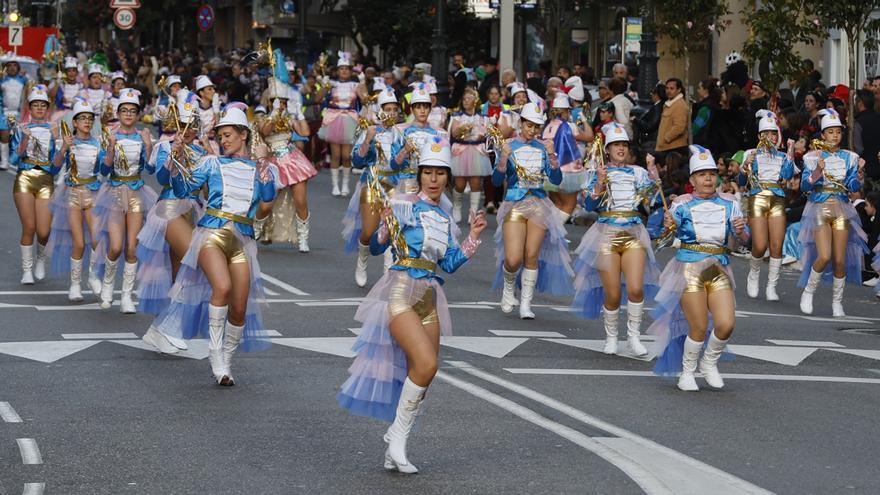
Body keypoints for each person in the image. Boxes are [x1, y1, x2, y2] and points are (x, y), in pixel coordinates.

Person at [337, 137, 487, 474]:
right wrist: (383, 224)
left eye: (440, 173)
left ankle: (394, 445)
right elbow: (377, 248)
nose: (433, 179)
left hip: (431, 298)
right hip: (401, 291)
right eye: (428, 172)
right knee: (426, 364)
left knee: (421, 374)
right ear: (419, 175)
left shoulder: (446, 218)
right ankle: (398, 440)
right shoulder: (403, 204)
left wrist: (473, 236)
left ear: (448, 178)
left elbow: (448, 264)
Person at [148, 106, 276, 385]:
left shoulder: (259, 168)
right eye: (220, 136)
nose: (224, 141)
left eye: (228, 135)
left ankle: (227, 359)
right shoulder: (210, 163)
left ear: (244, 134)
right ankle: (216, 356)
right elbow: (183, 190)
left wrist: (265, 164)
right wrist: (175, 157)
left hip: (243, 239)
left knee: (239, 309)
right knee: (222, 287)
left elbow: (268, 196)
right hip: (211, 234)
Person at [650, 145, 749, 391]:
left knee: (726, 324)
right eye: (702, 174)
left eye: (712, 174)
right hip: (689, 268)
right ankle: (687, 371)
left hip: (719, 267)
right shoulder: (681, 204)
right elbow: (663, 240)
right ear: (692, 180)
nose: (708, 178)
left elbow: (742, 241)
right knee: (699, 325)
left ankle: (709, 362)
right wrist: (667, 226)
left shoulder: (730, 202)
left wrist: (740, 231)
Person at [571, 122, 660, 356]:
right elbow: (589, 205)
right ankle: (611, 337)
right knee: (612, 293)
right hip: (606, 234)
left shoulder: (638, 172)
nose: (620, 148)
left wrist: (653, 173)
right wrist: (600, 182)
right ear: (607, 149)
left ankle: (633, 337)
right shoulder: (598, 172)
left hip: (633, 233)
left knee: (636, 288)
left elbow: (652, 198)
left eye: (624, 144)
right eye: (615, 145)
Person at [138, 90, 207, 354]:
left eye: (192, 126)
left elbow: (205, 188)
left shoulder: (202, 151)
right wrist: (173, 153)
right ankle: (163, 328)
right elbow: (163, 178)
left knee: (181, 273)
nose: (187, 131)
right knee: (196, 259)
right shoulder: (165, 147)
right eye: (182, 125)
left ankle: (164, 328)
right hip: (168, 209)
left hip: (194, 210)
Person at [492, 103, 573, 319]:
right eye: (529, 125)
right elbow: (496, 180)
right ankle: (509, 287)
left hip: (538, 203)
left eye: (536, 126)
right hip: (515, 203)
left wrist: (553, 159)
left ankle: (526, 303)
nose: (533, 130)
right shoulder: (508, 145)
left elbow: (555, 180)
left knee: (531, 255)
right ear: (520, 123)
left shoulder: (542, 147)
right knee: (513, 258)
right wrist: (502, 160)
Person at [92, 88, 157, 313]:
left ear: (137, 115)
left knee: (132, 247)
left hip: (137, 192)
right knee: (116, 246)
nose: (128, 114)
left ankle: (127, 296)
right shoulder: (110, 135)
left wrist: (148, 146)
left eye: (132, 111)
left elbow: (150, 169)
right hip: (115, 193)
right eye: (124, 110)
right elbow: (103, 169)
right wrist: (110, 147)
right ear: (118, 113)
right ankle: (108, 285)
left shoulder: (142, 137)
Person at [798, 109, 868, 316]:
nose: (835, 135)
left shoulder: (850, 157)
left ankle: (837, 302)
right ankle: (808, 291)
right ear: (822, 135)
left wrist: (860, 171)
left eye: (838, 132)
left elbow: (853, 187)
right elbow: (804, 186)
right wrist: (818, 172)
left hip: (842, 208)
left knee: (839, 259)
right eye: (830, 132)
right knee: (825, 255)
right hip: (819, 208)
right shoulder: (813, 157)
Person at [46, 99, 103, 301]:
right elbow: (53, 168)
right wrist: (63, 149)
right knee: (78, 243)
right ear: (75, 122)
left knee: (97, 239)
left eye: (89, 118)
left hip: (93, 192)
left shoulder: (98, 142)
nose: (86, 122)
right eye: (82, 118)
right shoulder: (67, 142)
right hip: (71, 194)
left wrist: (110, 151)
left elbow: (102, 170)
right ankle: (75, 285)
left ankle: (93, 276)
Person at [346, 87, 401, 286]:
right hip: (373, 183)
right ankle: (362, 259)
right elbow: (356, 161)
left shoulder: (402, 133)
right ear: (380, 110)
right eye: (388, 108)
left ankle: (388, 274)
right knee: (369, 232)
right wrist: (368, 140)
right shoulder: (370, 130)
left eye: (395, 109)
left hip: (396, 186)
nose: (392, 113)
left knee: (392, 230)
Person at [255, 79, 317, 252]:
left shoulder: (289, 117)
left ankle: (303, 239)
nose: (282, 104)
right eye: (278, 101)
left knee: (301, 201)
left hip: (292, 160)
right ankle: (256, 230)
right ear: (269, 101)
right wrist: (274, 113)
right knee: (267, 203)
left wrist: (300, 114)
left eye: (283, 101)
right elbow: (265, 131)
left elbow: (305, 132)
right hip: (272, 162)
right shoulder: (262, 116)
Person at [740, 110, 796, 301]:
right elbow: (741, 180)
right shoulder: (750, 153)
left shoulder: (781, 156)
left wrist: (790, 154)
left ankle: (772, 286)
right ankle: (753, 274)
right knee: (760, 244)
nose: (770, 137)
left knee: (776, 245)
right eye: (766, 133)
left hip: (777, 198)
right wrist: (745, 165)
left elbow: (788, 176)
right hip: (757, 197)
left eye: (773, 133)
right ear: (759, 136)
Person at [11, 85, 57, 285]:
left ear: (47, 108)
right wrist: (24, 139)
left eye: (42, 105)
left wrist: (61, 143)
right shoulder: (21, 127)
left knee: (44, 231)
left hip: (46, 179)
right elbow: (15, 157)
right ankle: (27, 270)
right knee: (29, 226)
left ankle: (40, 259)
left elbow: (57, 163)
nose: (39, 108)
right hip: (25, 178)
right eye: (35, 105)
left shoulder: (54, 129)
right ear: (29, 108)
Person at [317, 51, 362, 197]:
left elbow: (366, 99)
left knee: (347, 156)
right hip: (334, 119)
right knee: (336, 155)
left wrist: (363, 83)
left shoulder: (355, 85)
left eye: (347, 68)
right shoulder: (332, 84)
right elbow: (318, 98)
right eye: (341, 68)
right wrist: (324, 85)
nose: (344, 71)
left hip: (350, 119)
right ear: (337, 71)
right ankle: (335, 185)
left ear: (350, 71)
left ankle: (346, 184)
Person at [543, 92, 590, 224]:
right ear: (566, 111)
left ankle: (550, 235)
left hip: (551, 169)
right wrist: (584, 119)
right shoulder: (570, 126)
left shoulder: (548, 126)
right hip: (568, 170)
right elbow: (589, 136)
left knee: (557, 203)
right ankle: (553, 233)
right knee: (570, 203)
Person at [449, 87, 491, 222]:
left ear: (476, 101)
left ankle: (473, 211)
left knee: (475, 182)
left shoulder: (482, 118)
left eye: (469, 98)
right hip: (461, 150)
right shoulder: (457, 117)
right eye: (464, 98)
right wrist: (461, 130)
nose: (466, 101)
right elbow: (453, 134)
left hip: (476, 150)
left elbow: (487, 134)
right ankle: (457, 206)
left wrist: (481, 135)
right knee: (460, 184)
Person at [0, 58, 29, 170]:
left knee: (19, 137)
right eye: (10, 65)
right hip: (4, 112)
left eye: (14, 65)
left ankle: (16, 161)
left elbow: (31, 87)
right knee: (4, 135)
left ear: (18, 67)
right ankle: (4, 162)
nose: (12, 67)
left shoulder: (23, 80)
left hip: (18, 113)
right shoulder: (2, 80)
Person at [655, 78, 689, 159]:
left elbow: (679, 127)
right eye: (667, 88)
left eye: (672, 88)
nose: (668, 91)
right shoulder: (670, 103)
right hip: (666, 147)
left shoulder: (680, 105)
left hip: (673, 148)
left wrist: (666, 138)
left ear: (679, 89)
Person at [78, 64, 113, 134]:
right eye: (94, 77)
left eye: (99, 78)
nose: (96, 80)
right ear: (89, 79)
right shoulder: (82, 93)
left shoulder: (107, 94)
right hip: (86, 123)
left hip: (103, 123)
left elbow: (109, 112)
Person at [49, 57, 84, 124]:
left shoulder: (80, 86)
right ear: (65, 72)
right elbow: (51, 96)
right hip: (61, 114)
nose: (71, 73)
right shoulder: (61, 85)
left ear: (77, 72)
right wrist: (57, 82)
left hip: (76, 114)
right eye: (69, 71)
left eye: (74, 70)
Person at [194, 75, 221, 150]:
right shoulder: (193, 108)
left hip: (213, 145)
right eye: (210, 89)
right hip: (196, 144)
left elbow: (219, 131)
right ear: (201, 93)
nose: (214, 91)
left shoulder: (217, 107)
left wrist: (216, 111)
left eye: (213, 89)